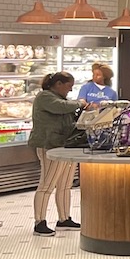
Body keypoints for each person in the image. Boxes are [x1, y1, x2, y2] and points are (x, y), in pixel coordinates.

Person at [30, 71, 87, 236]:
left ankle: (64, 219)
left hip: (64, 145)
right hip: (49, 146)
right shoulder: (45, 97)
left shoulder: (63, 99)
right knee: (46, 185)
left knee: (65, 185)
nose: (70, 90)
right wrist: (80, 103)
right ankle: (39, 222)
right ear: (59, 84)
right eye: (68, 86)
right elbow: (60, 108)